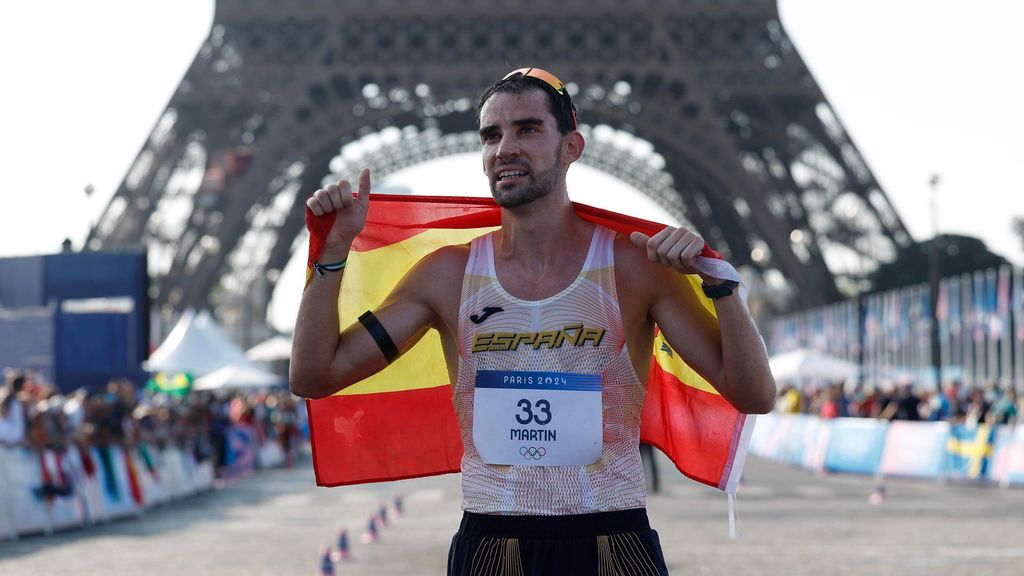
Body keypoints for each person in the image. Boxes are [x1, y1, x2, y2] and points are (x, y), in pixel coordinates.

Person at [290, 67, 777, 575]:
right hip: (493, 542)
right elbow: (314, 375)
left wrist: (723, 287)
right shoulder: (447, 275)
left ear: (572, 146)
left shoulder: (635, 268)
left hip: (612, 539)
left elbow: (754, 395)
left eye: (527, 129)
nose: (505, 148)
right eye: (491, 135)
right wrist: (332, 253)